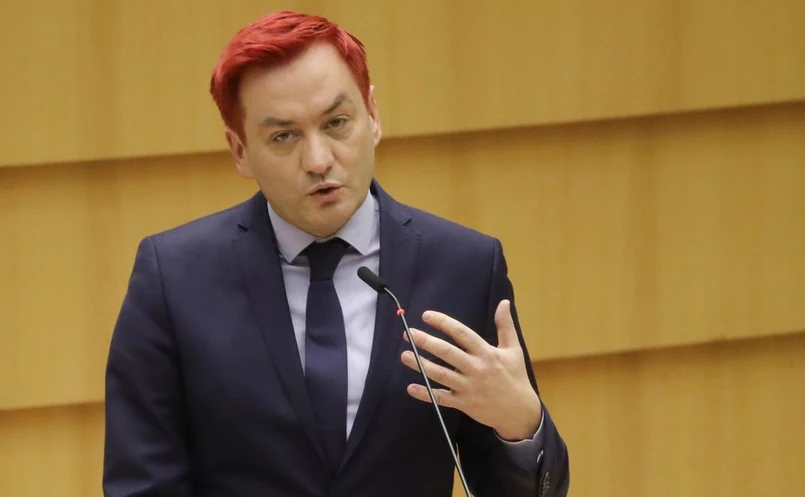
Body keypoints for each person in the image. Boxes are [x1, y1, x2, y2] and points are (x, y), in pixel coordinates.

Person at [102, 10, 569, 497]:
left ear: (373, 116)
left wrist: (521, 426)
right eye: (284, 137)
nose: (319, 160)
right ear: (239, 150)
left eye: (337, 123)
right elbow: (141, 484)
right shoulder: (174, 279)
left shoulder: (465, 267)